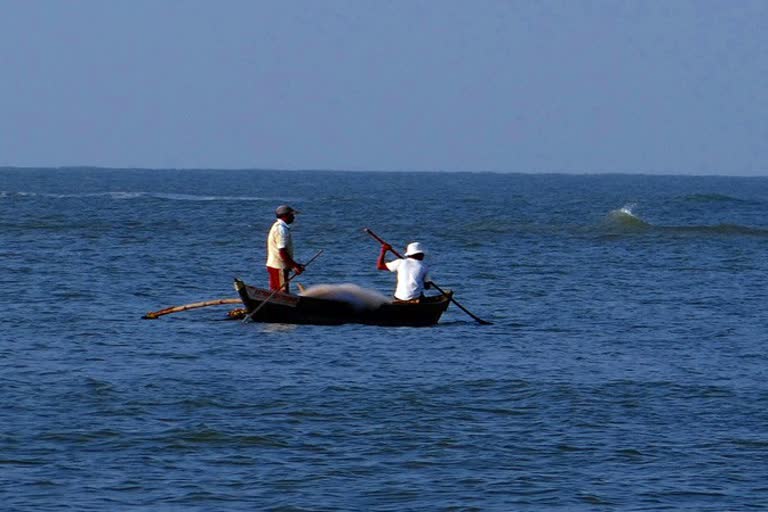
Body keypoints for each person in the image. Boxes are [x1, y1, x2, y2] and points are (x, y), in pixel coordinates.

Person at [266, 205, 304, 292]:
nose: (293, 217)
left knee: (275, 291)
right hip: (279, 266)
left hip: (274, 265)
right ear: (285, 216)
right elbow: (282, 251)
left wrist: (294, 265)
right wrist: (295, 266)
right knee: (281, 292)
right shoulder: (281, 229)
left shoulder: (276, 226)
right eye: (291, 215)